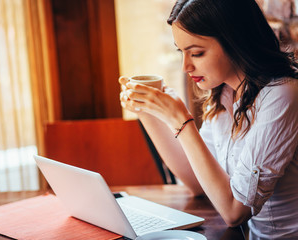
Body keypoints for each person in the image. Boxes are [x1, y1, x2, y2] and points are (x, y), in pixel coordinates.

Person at [119, 0, 298, 239]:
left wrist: (181, 121)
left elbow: (235, 211)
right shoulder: (226, 93)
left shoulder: (282, 94)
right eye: (180, 52)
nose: (186, 66)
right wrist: (147, 111)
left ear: (236, 42)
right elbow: (197, 182)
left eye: (196, 53)